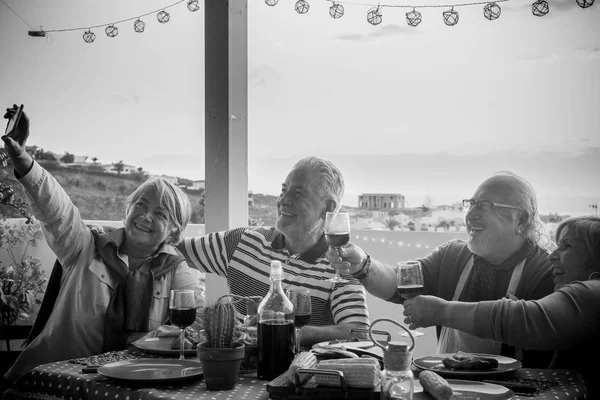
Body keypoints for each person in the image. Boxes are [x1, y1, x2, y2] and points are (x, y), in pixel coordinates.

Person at [1, 105, 204, 383]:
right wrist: (22, 157)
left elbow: (198, 320)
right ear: (127, 209)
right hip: (53, 378)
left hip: (129, 384)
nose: (145, 216)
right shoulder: (85, 245)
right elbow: (56, 209)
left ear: (174, 231)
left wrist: (173, 337)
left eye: (160, 214)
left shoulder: (175, 270)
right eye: (140, 205)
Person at [327, 171, 555, 367]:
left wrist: (443, 311)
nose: (470, 215)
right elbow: (398, 283)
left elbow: (536, 333)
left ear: (521, 220)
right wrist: (362, 265)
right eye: (471, 204)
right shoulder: (453, 255)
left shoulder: (546, 271)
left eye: (484, 206)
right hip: (450, 387)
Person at [177, 156, 370, 349]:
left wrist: (288, 332)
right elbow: (172, 251)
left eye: (298, 193)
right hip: (237, 369)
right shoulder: (242, 241)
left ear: (327, 208)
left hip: (297, 375)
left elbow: (359, 333)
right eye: (284, 190)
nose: (284, 200)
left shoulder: (342, 265)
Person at [402, 215, 600, 398]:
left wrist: (441, 311)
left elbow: (525, 319)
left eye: (566, 246)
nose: (552, 256)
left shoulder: (592, 293)